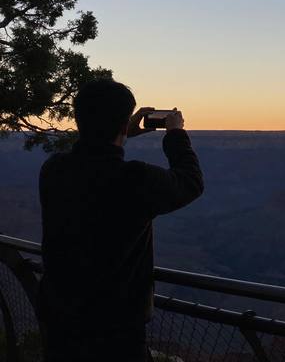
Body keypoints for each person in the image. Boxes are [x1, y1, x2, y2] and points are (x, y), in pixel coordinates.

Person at [39, 79, 204, 362]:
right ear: (123, 122)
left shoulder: (54, 170)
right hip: (115, 332)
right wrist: (176, 133)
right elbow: (191, 182)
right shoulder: (134, 179)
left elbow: (90, 159)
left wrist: (122, 131)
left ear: (78, 118)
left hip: (59, 324)